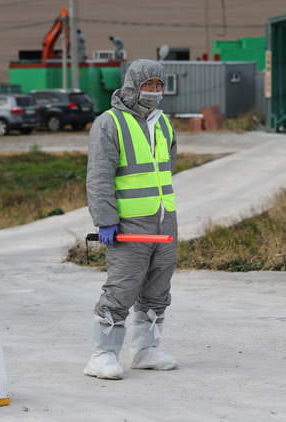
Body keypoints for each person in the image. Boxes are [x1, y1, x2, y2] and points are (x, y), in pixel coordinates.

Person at [85, 59, 178, 380]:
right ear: (131, 86)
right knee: (122, 288)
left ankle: (146, 351)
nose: (153, 92)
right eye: (147, 86)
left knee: (158, 288)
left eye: (158, 86)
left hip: (164, 221)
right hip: (128, 224)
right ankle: (102, 355)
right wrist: (106, 219)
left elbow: (167, 168)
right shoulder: (109, 123)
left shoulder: (164, 123)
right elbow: (99, 177)